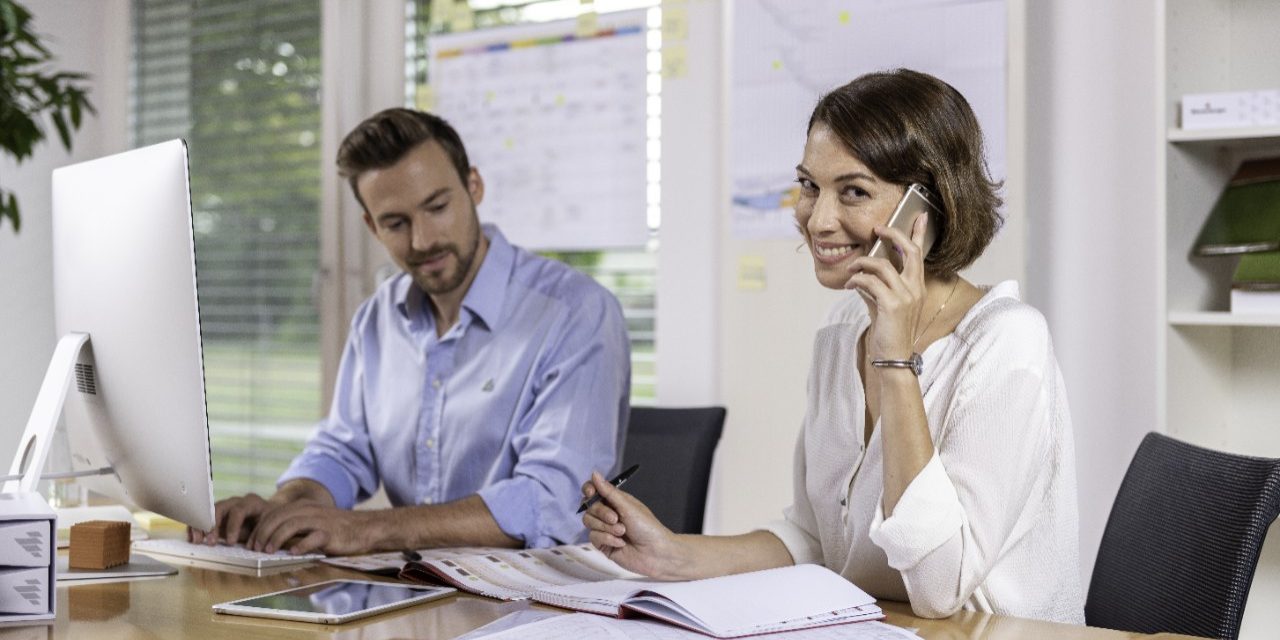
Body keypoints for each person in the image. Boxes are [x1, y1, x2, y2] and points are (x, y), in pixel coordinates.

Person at [581, 69, 1084, 624]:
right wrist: (672, 554)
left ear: (927, 208)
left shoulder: (1007, 341)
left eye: (854, 192)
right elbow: (817, 537)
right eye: (810, 186)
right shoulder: (842, 329)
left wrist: (895, 363)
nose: (818, 219)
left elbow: (940, 588)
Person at [192, 108, 631, 556]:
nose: (422, 241)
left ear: (474, 186)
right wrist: (283, 511)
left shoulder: (575, 312)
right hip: (415, 595)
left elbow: (553, 500)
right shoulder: (376, 319)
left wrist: (366, 529)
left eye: (437, 207)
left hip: (538, 608)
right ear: (371, 226)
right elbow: (343, 453)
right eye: (395, 223)